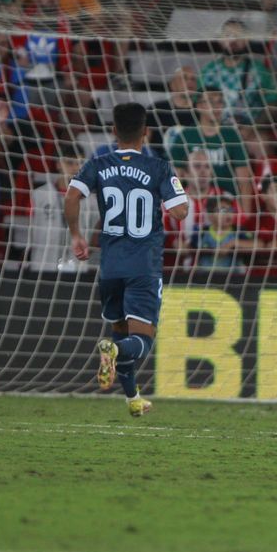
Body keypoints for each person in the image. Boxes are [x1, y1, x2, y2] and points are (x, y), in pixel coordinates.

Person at [64, 101, 191, 418]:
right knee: (141, 341)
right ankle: (116, 352)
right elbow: (180, 211)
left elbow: (72, 196)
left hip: (110, 268)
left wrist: (77, 235)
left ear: (113, 131)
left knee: (120, 331)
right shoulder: (158, 167)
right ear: (146, 133)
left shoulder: (98, 163)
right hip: (143, 266)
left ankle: (133, 397)